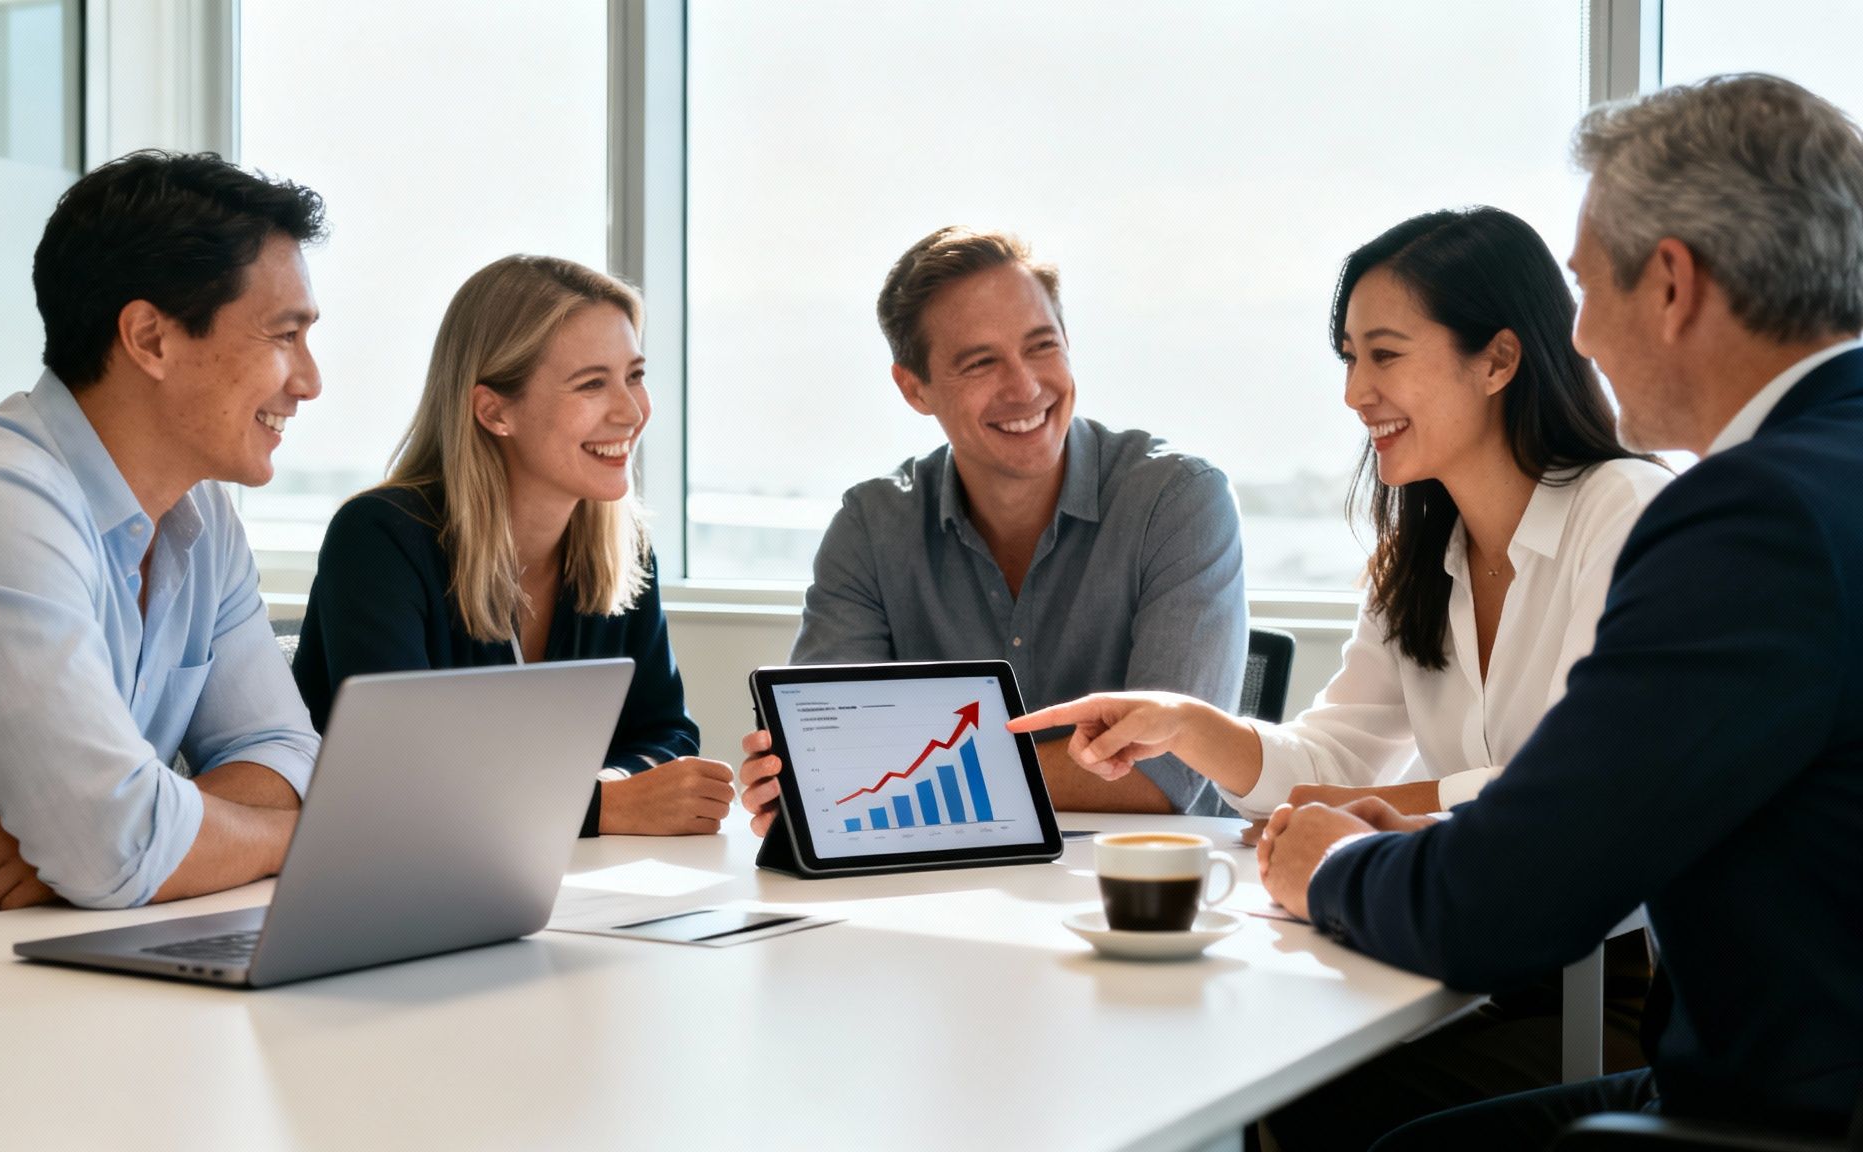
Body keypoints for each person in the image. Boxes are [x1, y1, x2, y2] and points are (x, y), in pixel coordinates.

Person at [1081, 74, 1863, 1146]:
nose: (1578, 335)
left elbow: (1513, 889)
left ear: (1671, 283)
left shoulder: (1745, 514)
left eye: (1587, 290)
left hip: (1773, 1096)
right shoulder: (1816, 475)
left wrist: (1339, 862)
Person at [1012, 206, 1669, 1149]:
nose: (1357, 393)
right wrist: (1187, 724)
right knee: (1262, 1082)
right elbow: (1332, 751)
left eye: (1385, 355)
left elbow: (1570, 794)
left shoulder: (1626, 512)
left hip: (1606, 995)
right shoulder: (1421, 548)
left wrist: (1362, 811)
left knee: (1309, 1106)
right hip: (1454, 959)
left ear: (1498, 359)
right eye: (1348, 358)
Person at [0, 151, 327, 939]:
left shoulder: (203, 517)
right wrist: (307, 841)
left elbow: (284, 752)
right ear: (150, 338)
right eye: (285, 336)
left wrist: (133, 831)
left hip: (34, 970)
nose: (309, 381)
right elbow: (111, 847)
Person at [738, 226, 1248, 831]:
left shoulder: (1178, 501)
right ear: (914, 388)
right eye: (981, 362)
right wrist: (808, 784)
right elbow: (826, 762)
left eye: (1041, 346)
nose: (1025, 387)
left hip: (1137, 889)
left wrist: (885, 785)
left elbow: (1162, 774)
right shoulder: (871, 529)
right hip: (936, 884)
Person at [292, 255, 734, 837]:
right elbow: (396, 774)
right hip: (385, 883)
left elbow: (666, 737)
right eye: (592, 384)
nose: (631, 411)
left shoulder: (625, 549)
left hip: (555, 878)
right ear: (495, 410)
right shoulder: (377, 539)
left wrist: (592, 794)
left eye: (635, 375)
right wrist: (602, 807)